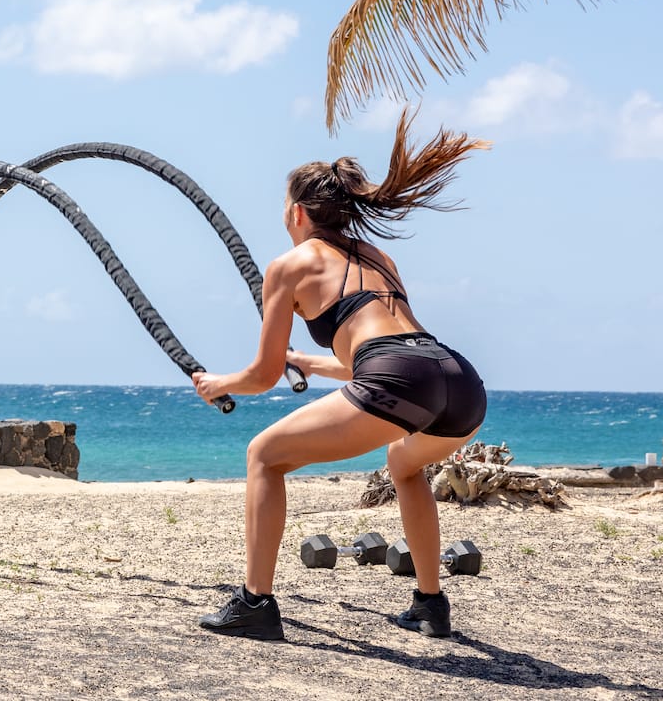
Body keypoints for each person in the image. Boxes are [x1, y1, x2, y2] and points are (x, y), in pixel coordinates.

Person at [193, 108, 489, 641]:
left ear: (300, 212)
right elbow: (389, 353)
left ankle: (255, 603)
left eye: (285, 206)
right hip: (457, 378)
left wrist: (221, 383)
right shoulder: (377, 256)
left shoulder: (290, 265)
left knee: (264, 455)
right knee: (403, 463)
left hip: (401, 378)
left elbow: (262, 376)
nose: (284, 216)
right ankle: (429, 602)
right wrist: (308, 363)